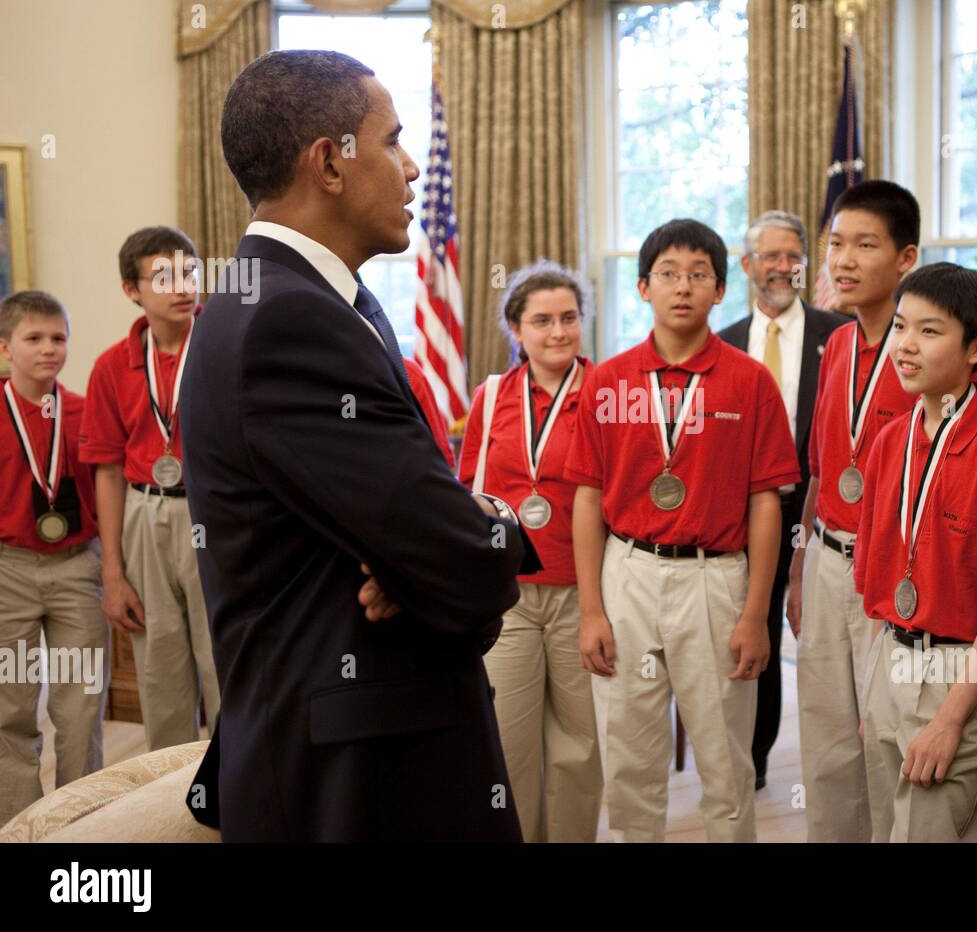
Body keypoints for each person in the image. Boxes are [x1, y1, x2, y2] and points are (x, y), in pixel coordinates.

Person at [178, 49, 532, 841]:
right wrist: (476, 536)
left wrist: (428, 555)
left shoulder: (293, 299)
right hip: (356, 782)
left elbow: (435, 545)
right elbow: (465, 562)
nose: (412, 168)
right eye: (392, 141)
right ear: (330, 162)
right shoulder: (287, 319)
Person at [564, 218, 800, 842]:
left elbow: (766, 503)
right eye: (667, 273)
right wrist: (591, 611)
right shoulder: (608, 382)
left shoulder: (750, 381)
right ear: (643, 287)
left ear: (720, 290)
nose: (683, 286)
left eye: (699, 274)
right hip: (629, 572)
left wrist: (757, 614)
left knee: (725, 760)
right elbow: (587, 499)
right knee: (629, 757)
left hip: (714, 578)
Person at [853, 262, 977, 842]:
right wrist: (876, 690)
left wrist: (949, 720)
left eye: (929, 331)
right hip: (891, 657)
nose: (905, 344)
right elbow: (879, 579)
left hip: (959, 673)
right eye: (900, 326)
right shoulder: (891, 440)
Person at [786, 181, 920, 842]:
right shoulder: (836, 344)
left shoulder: (923, 349)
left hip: (891, 569)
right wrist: (797, 569)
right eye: (836, 243)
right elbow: (819, 467)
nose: (843, 260)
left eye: (865, 245)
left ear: (906, 258)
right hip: (827, 556)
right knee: (826, 737)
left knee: (886, 740)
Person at [456, 260, 602, 842]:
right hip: (509, 598)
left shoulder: (608, 392)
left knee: (578, 747)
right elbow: (467, 493)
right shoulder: (491, 397)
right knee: (507, 743)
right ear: (516, 329)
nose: (558, 332)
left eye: (569, 318)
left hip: (585, 594)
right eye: (542, 321)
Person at [716, 210, 845, 791]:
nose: (783, 267)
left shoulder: (838, 336)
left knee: (824, 634)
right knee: (755, 625)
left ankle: (837, 760)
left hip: (821, 509)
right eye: (771, 256)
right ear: (747, 265)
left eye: (794, 256)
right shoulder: (722, 343)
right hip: (744, 512)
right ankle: (754, 761)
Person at [79, 226, 219, 750]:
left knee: (225, 660)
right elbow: (108, 471)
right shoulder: (111, 366)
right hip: (144, 510)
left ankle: (233, 784)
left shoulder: (224, 346)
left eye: (189, 272)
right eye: (163, 277)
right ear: (131, 290)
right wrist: (112, 573)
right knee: (159, 670)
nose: (182, 286)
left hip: (214, 510)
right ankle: (172, 788)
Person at [0, 292, 106, 825]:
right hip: (8, 570)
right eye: (34, 338)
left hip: (77, 567)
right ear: (5, 347)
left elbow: (106, 494)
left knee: (81, 703)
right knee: (11, 707)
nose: (48, 348)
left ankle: (79, 823)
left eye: (58, 338)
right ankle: (19, 824)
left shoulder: (85, 411)